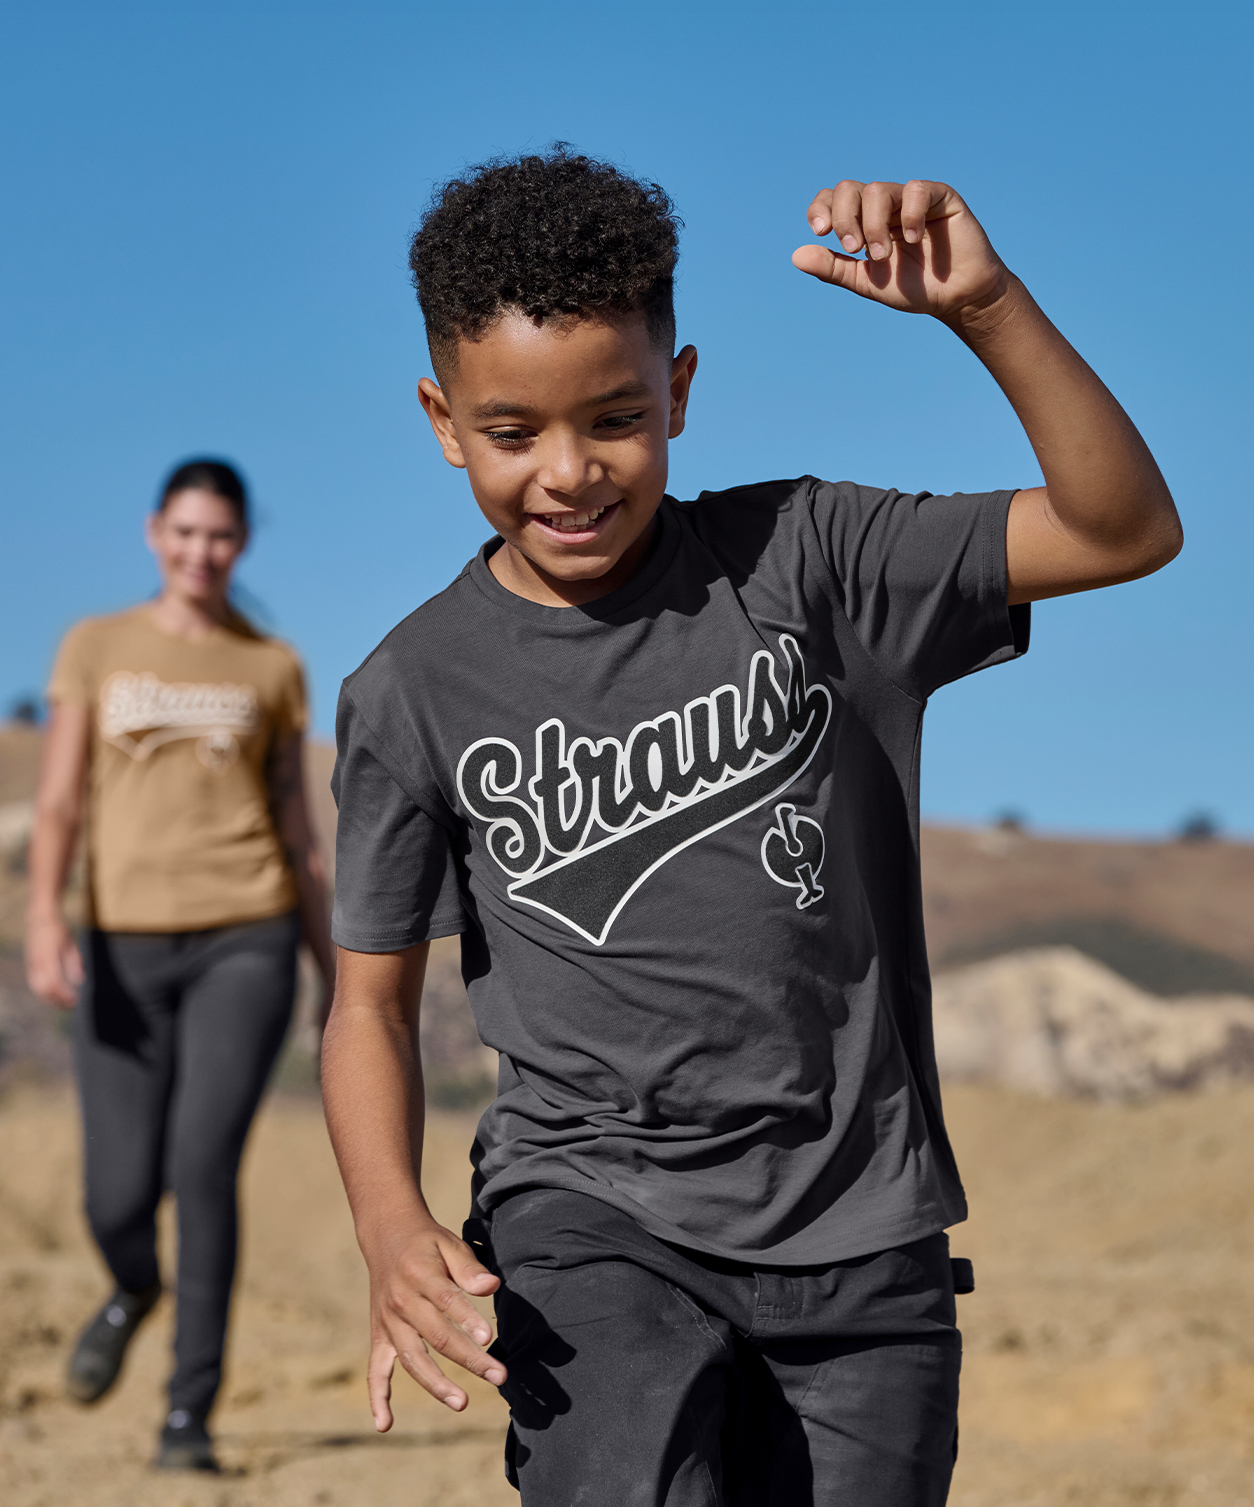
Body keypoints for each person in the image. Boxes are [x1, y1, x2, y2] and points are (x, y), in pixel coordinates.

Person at [320, 149, 1182, 1506]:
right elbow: (368, 1004)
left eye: (615, 417)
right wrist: (388, 1220)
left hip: (861, 1224)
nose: (568, 472)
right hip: (587, 1214)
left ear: (679, 389)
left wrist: (985, 309)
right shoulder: (411, 689)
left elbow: (1121, 528)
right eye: (512, 433)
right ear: (443, 419)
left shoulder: (810, 560)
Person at [24, 458, 335, 1473]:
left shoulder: (272, 666)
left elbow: (298, 830)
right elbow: (60, 799)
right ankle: (132, 1286)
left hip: (245, 937)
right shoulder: (97, 646)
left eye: (222, 536)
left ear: (242, 543)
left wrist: (332, 968)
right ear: (156, 532)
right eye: (187, 533)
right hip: (121, 943)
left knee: (202, 1171)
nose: (203, 552)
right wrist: (44, 915)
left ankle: (187, 1417)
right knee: (115, 1194)